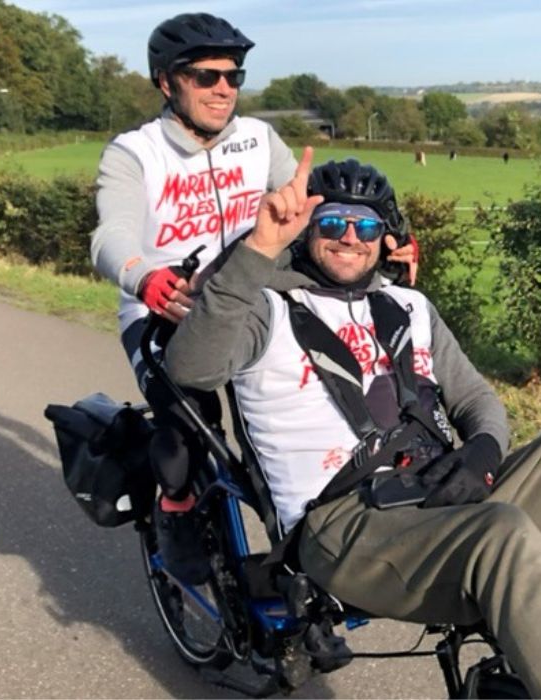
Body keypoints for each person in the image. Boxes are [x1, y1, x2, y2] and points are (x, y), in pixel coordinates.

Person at [162, 154, 541, 698]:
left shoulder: (409, 307)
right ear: (306, 230)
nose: (350, 237)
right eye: (334, 222)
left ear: (385, 236)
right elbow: (190, 365)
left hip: (445, 490)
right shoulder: (262, 308)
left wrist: (482, 454)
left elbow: (476, 399)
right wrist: (261, 246)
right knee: (501, 532)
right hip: (347, 525)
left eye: (366, 226)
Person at [88, 13, 415, 585]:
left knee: (299, 421)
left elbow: (315, 205)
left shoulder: (259, 140)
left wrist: (385, 237)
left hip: (254, 301)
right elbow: (110, 235)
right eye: (205, 76)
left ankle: (307, 549)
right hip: (165, 308)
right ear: (167, 82)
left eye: (234, 76)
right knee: (190, 418)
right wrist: (144, 277)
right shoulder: (134, 153)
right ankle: (177, 507)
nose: (223, 89)